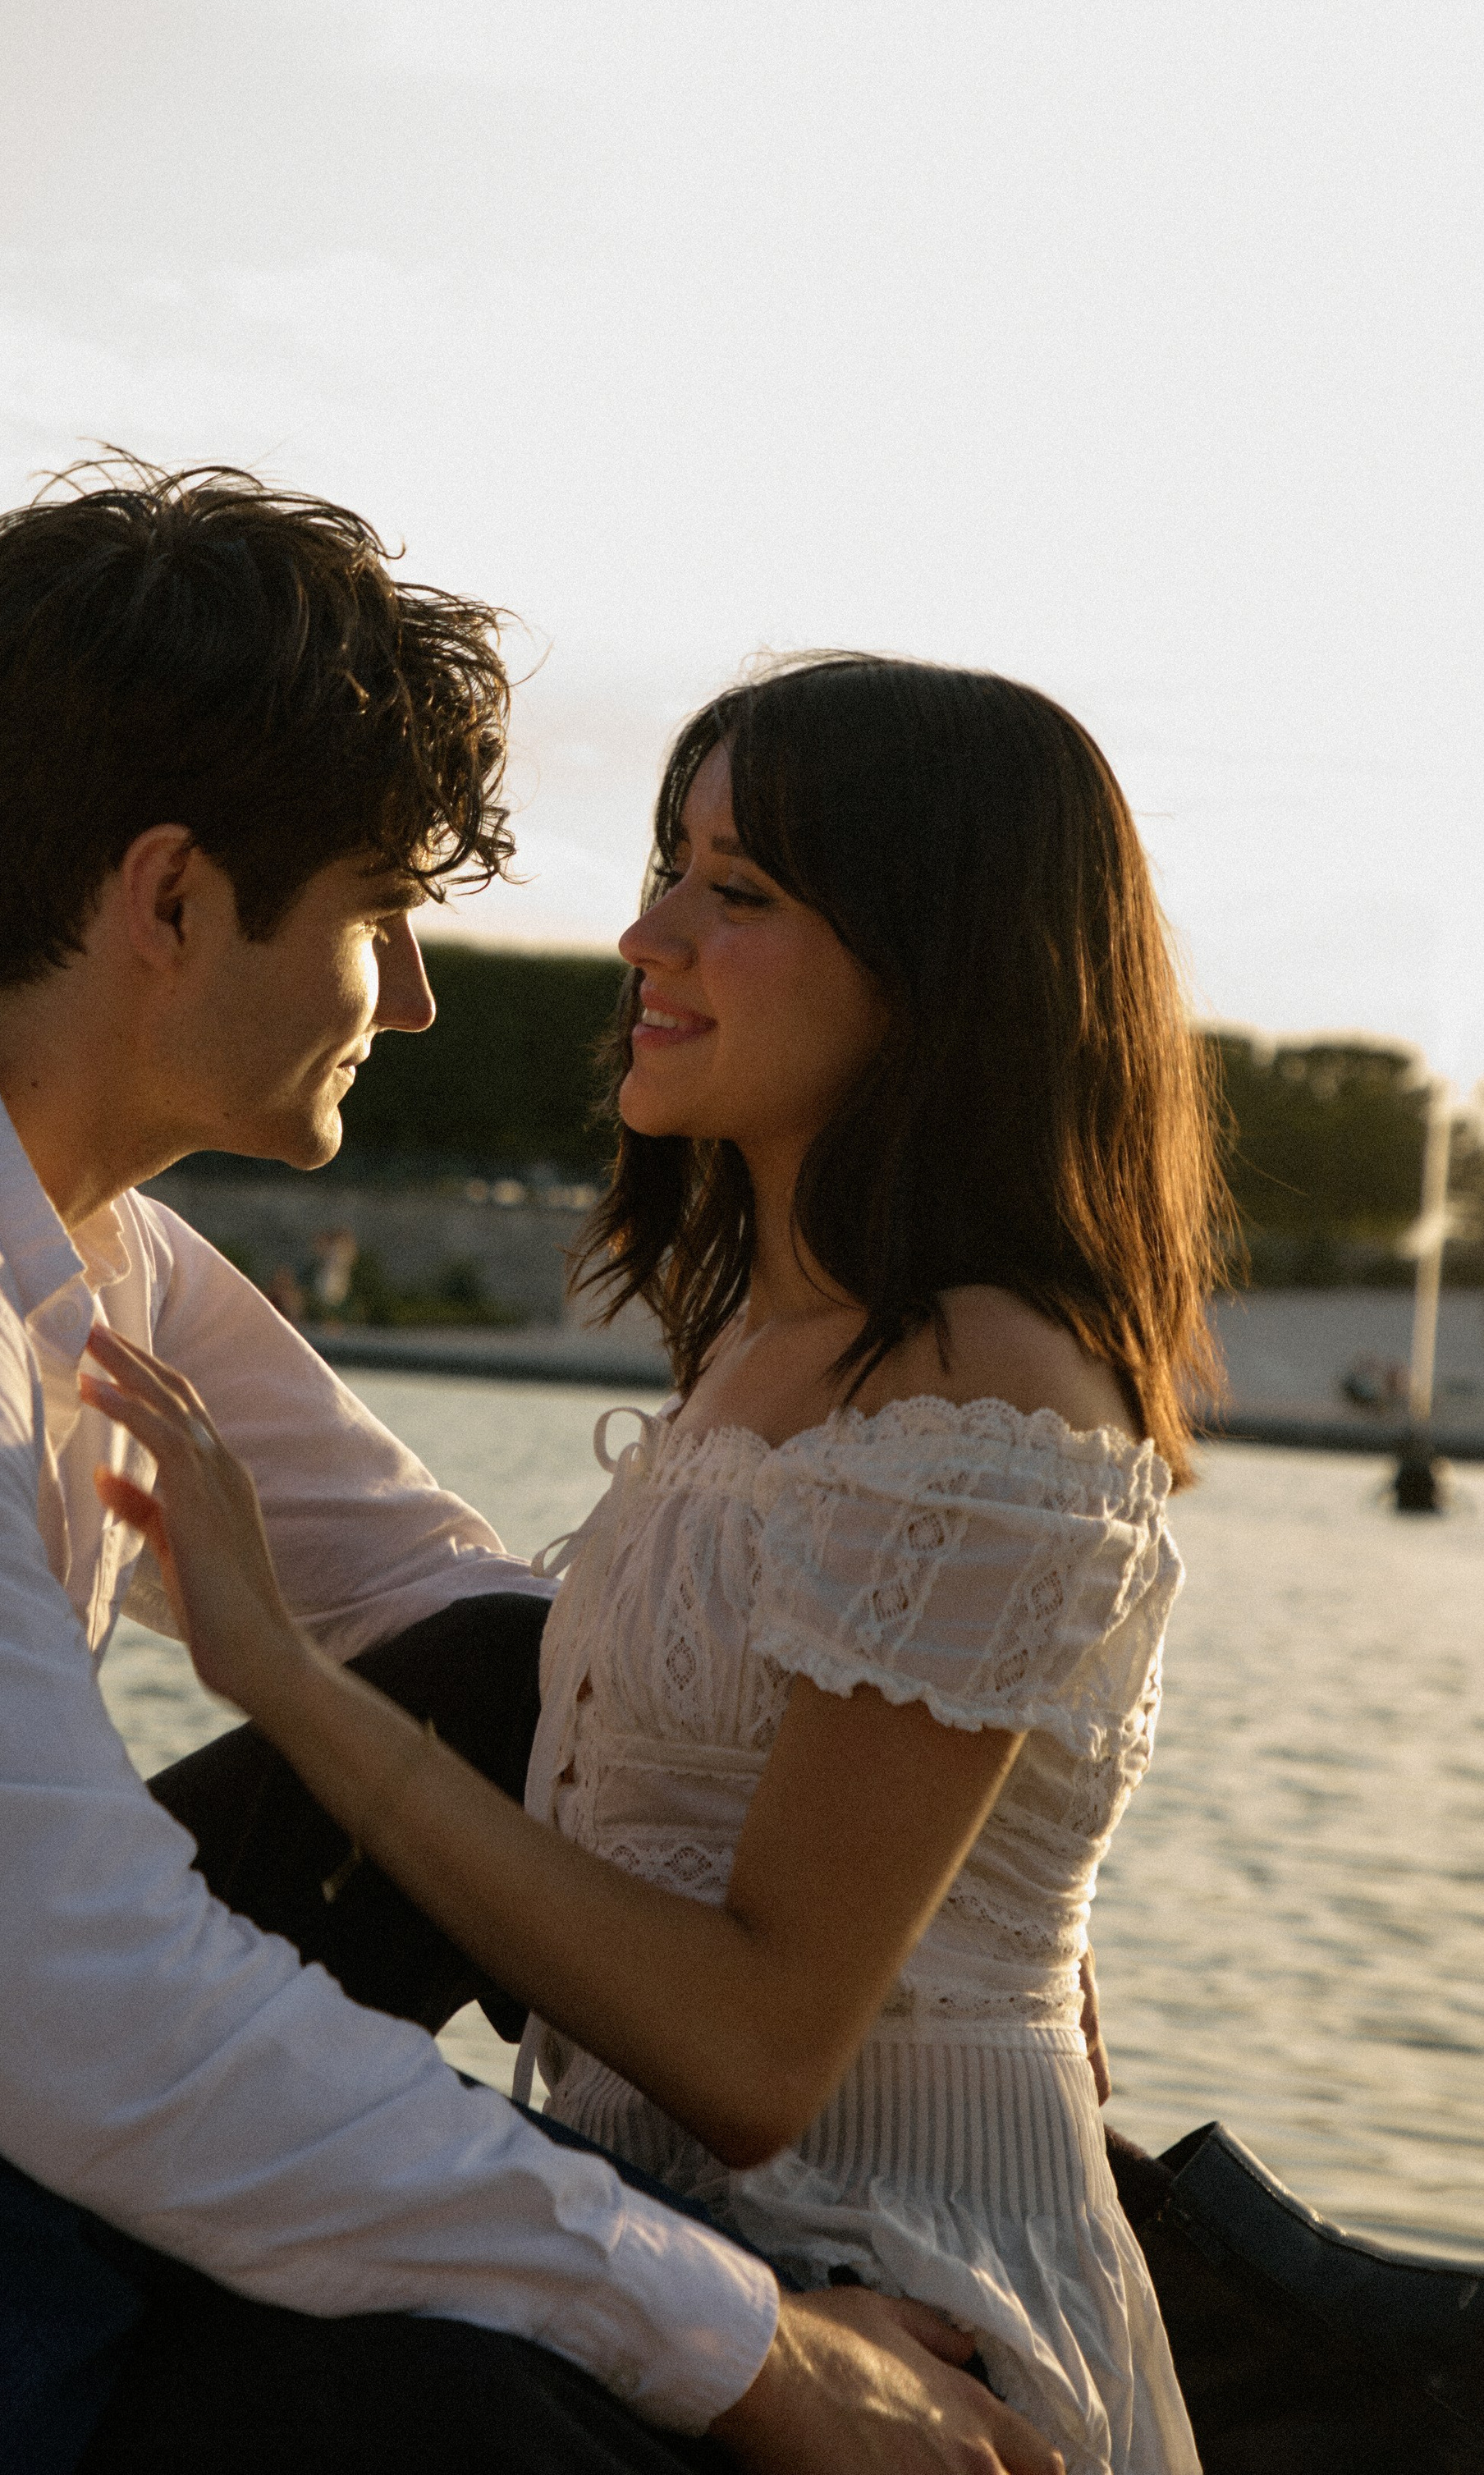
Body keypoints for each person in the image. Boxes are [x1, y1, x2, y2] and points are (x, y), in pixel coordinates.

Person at [0, 479, 1051, 2475]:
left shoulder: (38, 1225)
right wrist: (749, 2340)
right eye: (375, 912)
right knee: (406, 2345)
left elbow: (492, 1634)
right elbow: (98, 2025)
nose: (415, 992)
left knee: (471, 1715)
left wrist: (933, 1826)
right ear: (170, 902)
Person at [80, 653, 1223, 2475]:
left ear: (934, 968)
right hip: (702, 2262)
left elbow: (763, 2055)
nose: (642, 934)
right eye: (667, 866)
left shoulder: (983, 1389)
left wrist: (286, 1683)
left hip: (901, 2316)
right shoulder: (782, 1355)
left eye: (735, 892)